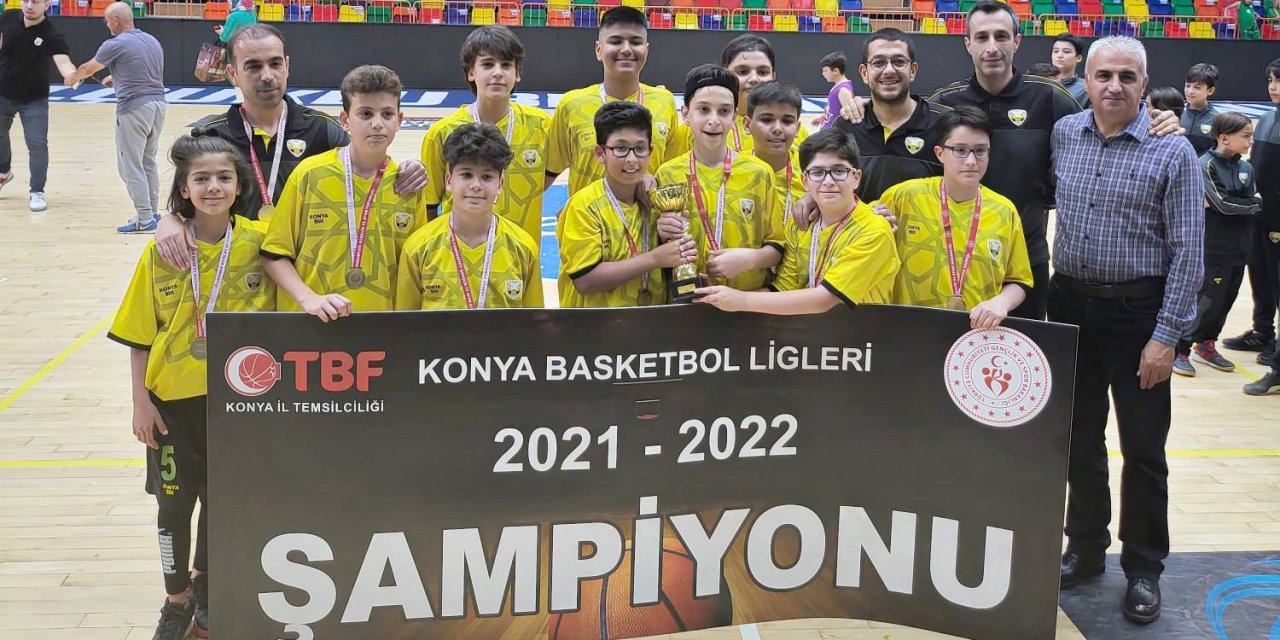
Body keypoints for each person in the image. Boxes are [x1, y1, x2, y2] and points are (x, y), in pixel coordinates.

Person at [1050, 36, 1203, 626]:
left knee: (1143, 448)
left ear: (1144, 82)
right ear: (1086, 81)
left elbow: (1189, 252)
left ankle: (1143, 566)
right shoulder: (1066, 134)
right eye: (1104, 75)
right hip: (1071, 305)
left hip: (1138, 314)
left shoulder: (1173, 150)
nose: (1114, 86)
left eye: (1127, 76)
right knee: (1078, 437)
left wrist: (1166, 336)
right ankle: (1086, 547)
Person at [107, 133, 276, 640]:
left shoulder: (261, 245)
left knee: (220, 499)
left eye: (224, 177)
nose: (213, 187)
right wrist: (140, 402)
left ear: (239, 185)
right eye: (201, 179)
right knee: (174, 506)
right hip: (171, 406)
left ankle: (204, 585)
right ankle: (175, 599)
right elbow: (140, 337)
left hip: (237, 404)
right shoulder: (162, 252)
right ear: (184, 189)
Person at [153, 24, 427, 270]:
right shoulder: (212, 135)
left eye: (275, 64)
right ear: (232, 73)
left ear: (287, 66)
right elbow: (186, 202)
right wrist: (170, 221)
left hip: (303, 275)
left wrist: (408, 168)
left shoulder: (322, 130)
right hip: (233, 274)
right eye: (253, 66)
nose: (267, 75)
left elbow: (367, 171)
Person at [928, 1, 1083, 321]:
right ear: (968, 44)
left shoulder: (1050, 98)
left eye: (1001, 36)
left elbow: (1098, 139)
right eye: (981, 37)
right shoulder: (945, 103)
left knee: (1023, 351)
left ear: (1017, 41)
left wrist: (1156, 123)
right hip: (953, 262)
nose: (992, 47)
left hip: (1025, 262)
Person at [261, 65, 427, 319]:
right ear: (345, 120)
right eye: (365, 114)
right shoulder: (310, 174)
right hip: (310, 325)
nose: (377, 124)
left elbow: (416, 268)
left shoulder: (407, 185)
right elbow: (273, 254)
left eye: (387, 114)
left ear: (400, 120)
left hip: (381, 327)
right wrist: (309, 299)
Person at [693, 128, 898, 313]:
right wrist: (717, 296)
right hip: (808, 337)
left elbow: (823, 300)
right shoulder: (800, 225)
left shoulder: (874, 230)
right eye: (818, 172)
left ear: (856, 178)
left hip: (862, 340)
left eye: (839, 171)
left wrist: (740, 300)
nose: (828, 181)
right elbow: (782, 290)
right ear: (805, 181)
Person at [421, 26, 549, 302]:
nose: (498, 73)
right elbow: (429, 206)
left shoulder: (542, 127)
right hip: (454, 261)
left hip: (518, 259)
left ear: (518, 73)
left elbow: (554, 172)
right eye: (488, 64)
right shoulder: (441, 133)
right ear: (471, 72)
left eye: (506, 65)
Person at [877, 106, 1031, 328]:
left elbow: (1018, 280)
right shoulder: (904, 196)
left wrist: (1002, 302)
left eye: (980, 151)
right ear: (939, 153)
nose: (971, 161)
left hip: (976, 334)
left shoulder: (1004, 211)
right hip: (908, 329)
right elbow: (859, 228)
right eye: (960, 150)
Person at [655, 65, 780, 294]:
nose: (714, 120)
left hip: (746, 300)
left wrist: (749, 259)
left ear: (734, 116)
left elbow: (778, 246)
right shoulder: (667, 174)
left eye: (723, 111)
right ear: (686, 114)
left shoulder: (759, 173)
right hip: (687, 300)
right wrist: (661, 232)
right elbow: (655, 247)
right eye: (703, 109)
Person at [556, 103, 693, 308]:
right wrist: (655, 258)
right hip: (594, 324)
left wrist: (672, 242)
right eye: (620, 149)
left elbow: (669, 266)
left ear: (650, 151)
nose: (631, 159)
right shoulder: (584, 206)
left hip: (652, 322)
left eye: (640, 149)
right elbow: (585, 281)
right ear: (600, 153)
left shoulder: (656, 204)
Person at [396, 124, 542, 310]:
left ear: (500, 184)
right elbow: (405, 320)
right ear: (449, 181)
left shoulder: (523, 247)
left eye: (487, 177)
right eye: (466, 175)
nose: (476, 185)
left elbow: (534, 320)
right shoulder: (418, 248)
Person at [545, 6, 681, 198]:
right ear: (598, 50)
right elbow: (547, 174)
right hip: (587, 217)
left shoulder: (665, 102)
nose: (626, 49)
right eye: (616, 41)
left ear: (646, 50)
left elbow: (671, 172)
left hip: (648, 217)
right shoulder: (571, 105)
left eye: (635, 42)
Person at [64, 3, 167, 233]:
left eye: (107, 19)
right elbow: (144, 68)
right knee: (148, 161)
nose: (106, 23)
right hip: (158, 105)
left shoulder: (115, 44)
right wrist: (116, 78)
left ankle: (144, 218)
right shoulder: (151, 40)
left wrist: (73, 77)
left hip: (134, 108)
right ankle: (152, 213)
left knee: (130, 166)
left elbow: (88, 69)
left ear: (116, 20)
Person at [1174, 112, 1261, 377]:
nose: (1250, 141)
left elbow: (1253, 202)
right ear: (1224, 138)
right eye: (1246, 136)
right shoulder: (1205, 164)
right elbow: (1223, 204)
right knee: (1205, 300)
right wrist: (1249, 204)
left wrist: (1245, 204)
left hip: (1240, 246)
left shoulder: (1246, 168)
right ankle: (1181, 349)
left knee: (1226, 300)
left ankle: (1206, 344)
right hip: (1213, 247)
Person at [833, 28, 950, 202]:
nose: (889, 70)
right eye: (879, 62)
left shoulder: (945, 125)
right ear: (864, 73)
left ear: (913, 70)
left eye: (899, 61)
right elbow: (829, 183)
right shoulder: (845, 127)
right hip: (862, 221)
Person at [669, 34, 816, 158]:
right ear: (727, 75)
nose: (754, 79)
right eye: (743, 72)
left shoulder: (794, 131)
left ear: (773, 77)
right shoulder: (694, 129)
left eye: (762, 72)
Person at [0, 0, 75, 212]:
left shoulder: (52, 33)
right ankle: (4, 172)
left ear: (47, 4)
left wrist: (72, 75)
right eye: (26, 1)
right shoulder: (8, 18)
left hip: (34, 99)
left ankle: (37, 191)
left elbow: (63, 61)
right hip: (3, 93)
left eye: (36, 1)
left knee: (37, 145)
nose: (29, 6)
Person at [1228, 58, 1280, 366]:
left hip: (1278, 218)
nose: (1273, 87)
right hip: (1258, 214)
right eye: (1270, 80)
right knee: (1259, 274)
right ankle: (1263, 331)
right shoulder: (1268, 118)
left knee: (1277, 279)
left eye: (1279, 81)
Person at [745, 82, 805, 239]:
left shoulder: (812, 173)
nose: (777, 128)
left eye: (787, 121)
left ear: (797, 128)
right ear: (747, 125)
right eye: (766, 120)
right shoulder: (732, 170)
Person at [1181, 63, 1219, 156]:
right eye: (1187, 86)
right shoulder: (1178, 115)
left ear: (1210, 91)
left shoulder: (1217, 120)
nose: (1190, 91)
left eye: (1197, 88)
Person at [814, 51, 855, 130]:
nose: (823, 74)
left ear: (835, 71)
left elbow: (849, 117)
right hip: (827, 131)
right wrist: (823, 117)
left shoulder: (843, 90)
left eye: (825, 71)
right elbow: (833, 110)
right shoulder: (836, 87)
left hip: (834, 134)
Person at [1051, 33, 1088, 107]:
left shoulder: (1086, 89)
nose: (1059, 55)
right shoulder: (1041, 83)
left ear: (1078, 58)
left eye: (1066, 51)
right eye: (1056, 51)